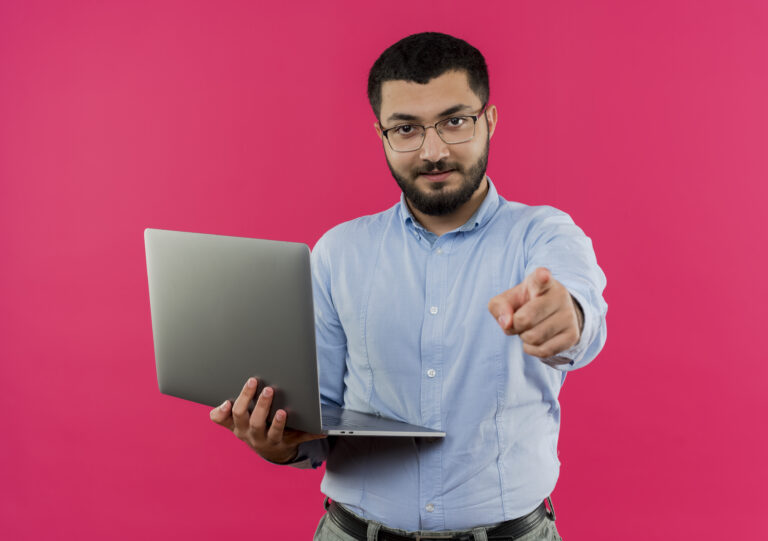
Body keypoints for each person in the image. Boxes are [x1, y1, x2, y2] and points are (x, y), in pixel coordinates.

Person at [210, 32, 607, 540]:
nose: (433, 151)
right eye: (406, 129)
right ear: (381, 135)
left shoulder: (545, 234)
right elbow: (320, 417)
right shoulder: (338, 252)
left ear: (489, 121)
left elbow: (581, 313)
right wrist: (279, 442)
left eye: (455, 122)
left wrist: (564, 317)